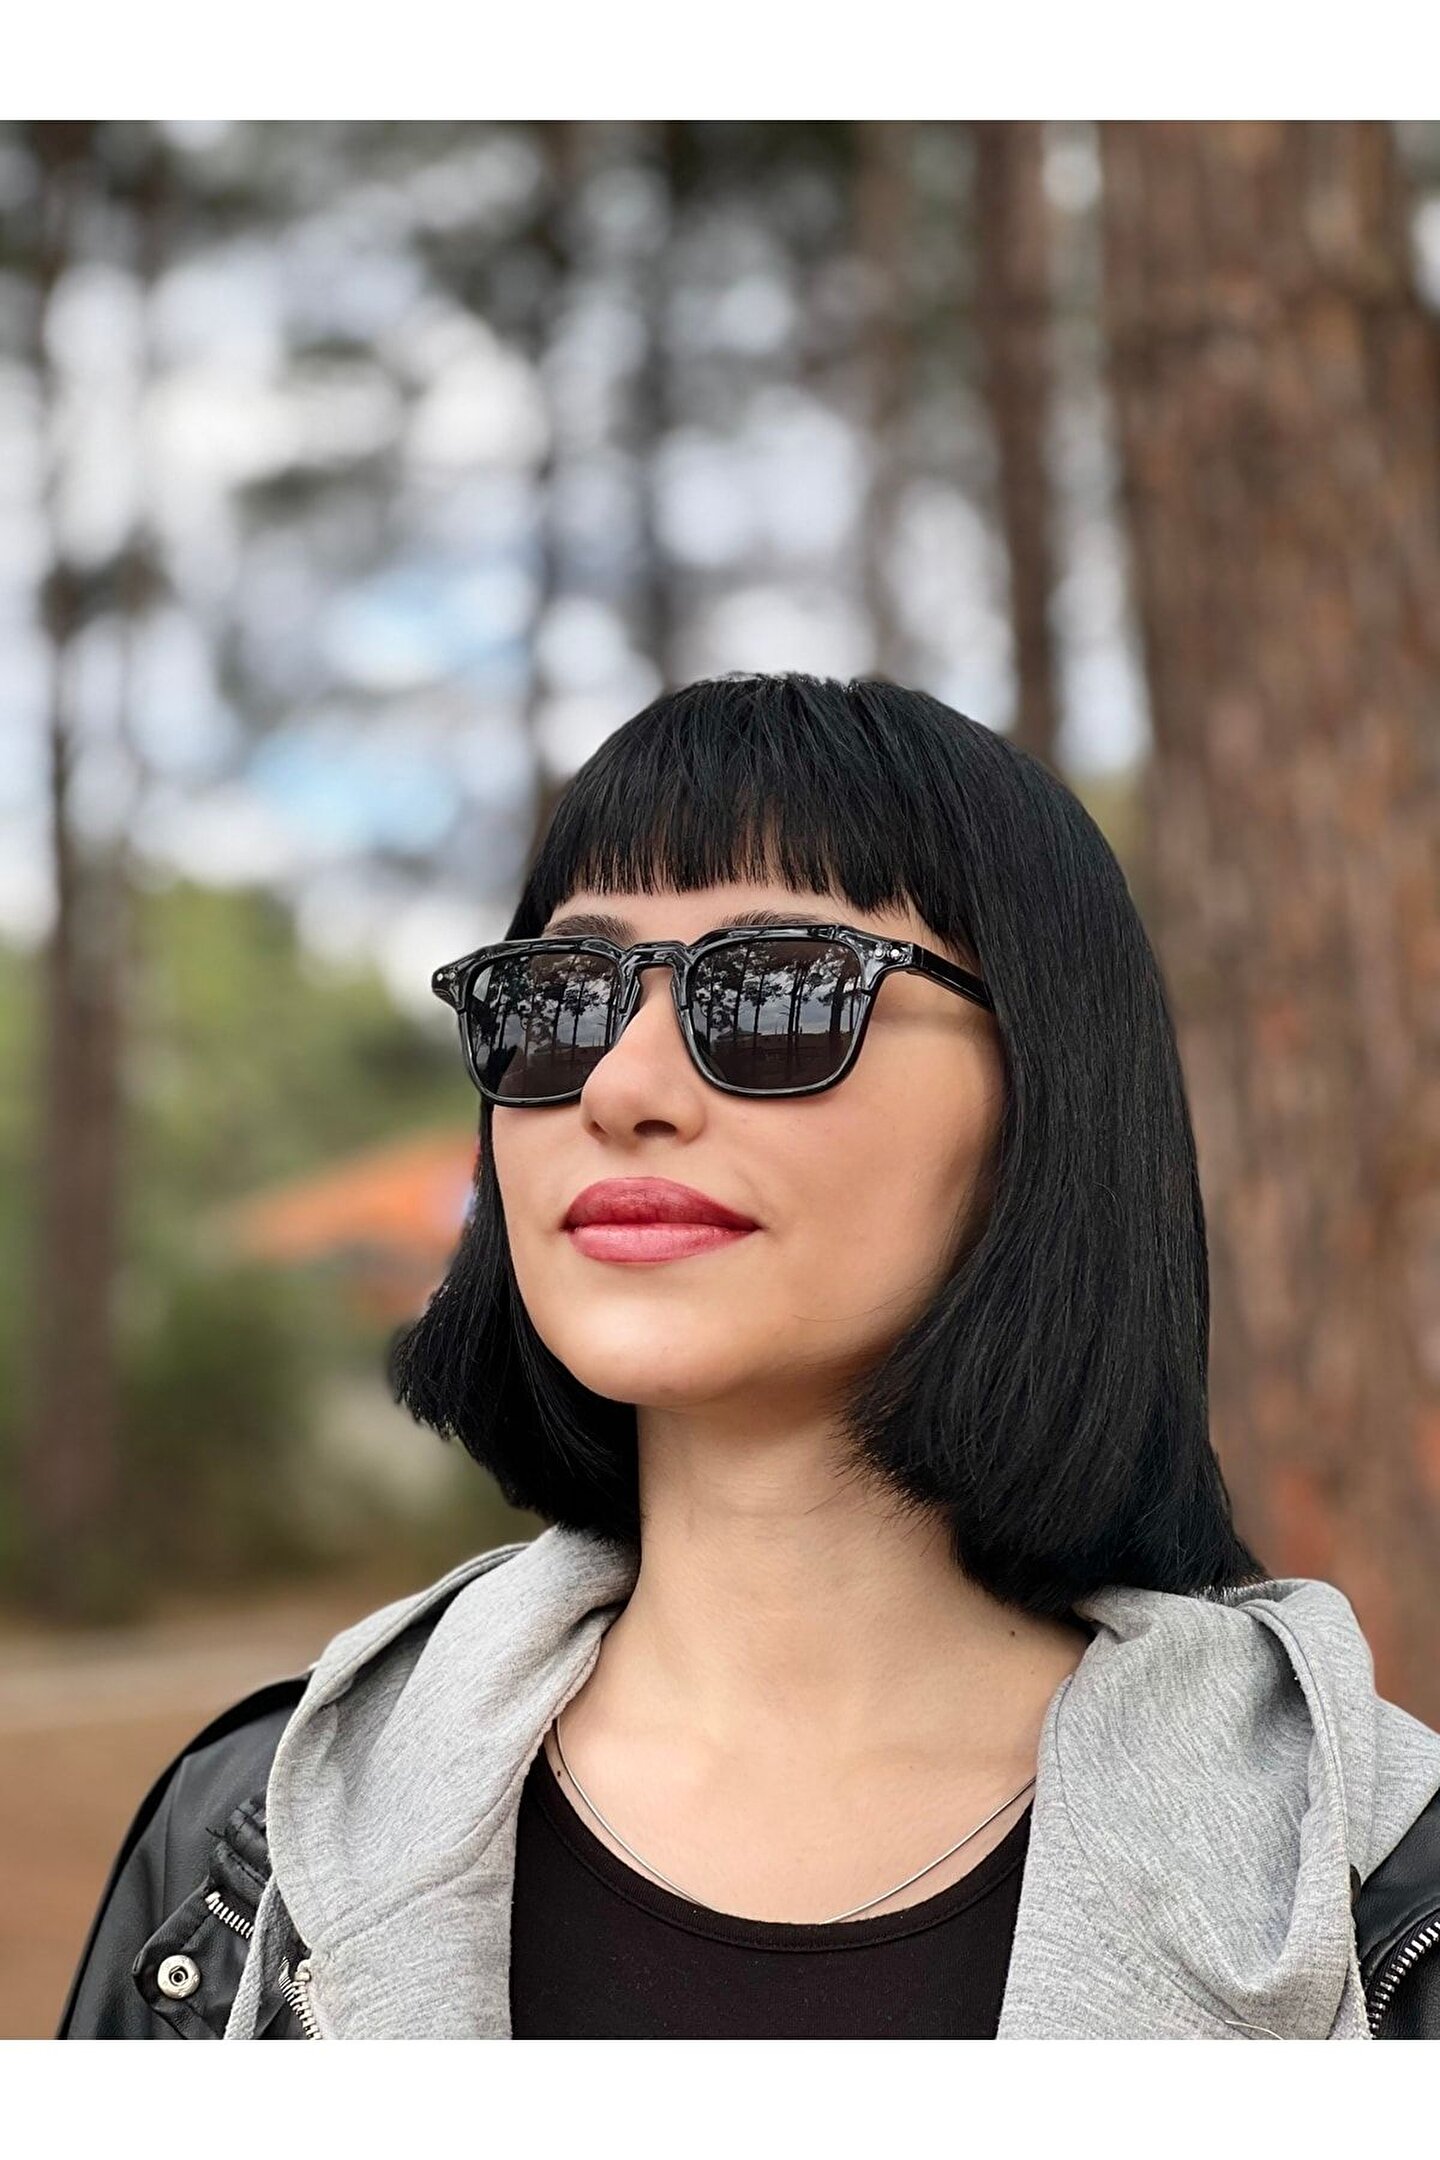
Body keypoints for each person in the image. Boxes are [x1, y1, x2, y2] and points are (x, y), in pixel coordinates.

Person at [60, 671, 1440, 2041]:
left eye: (777, 992)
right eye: (565, 997)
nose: (622, 1088)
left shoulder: (1380, 1894)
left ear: (1048, 1088)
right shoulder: (243, 1863)